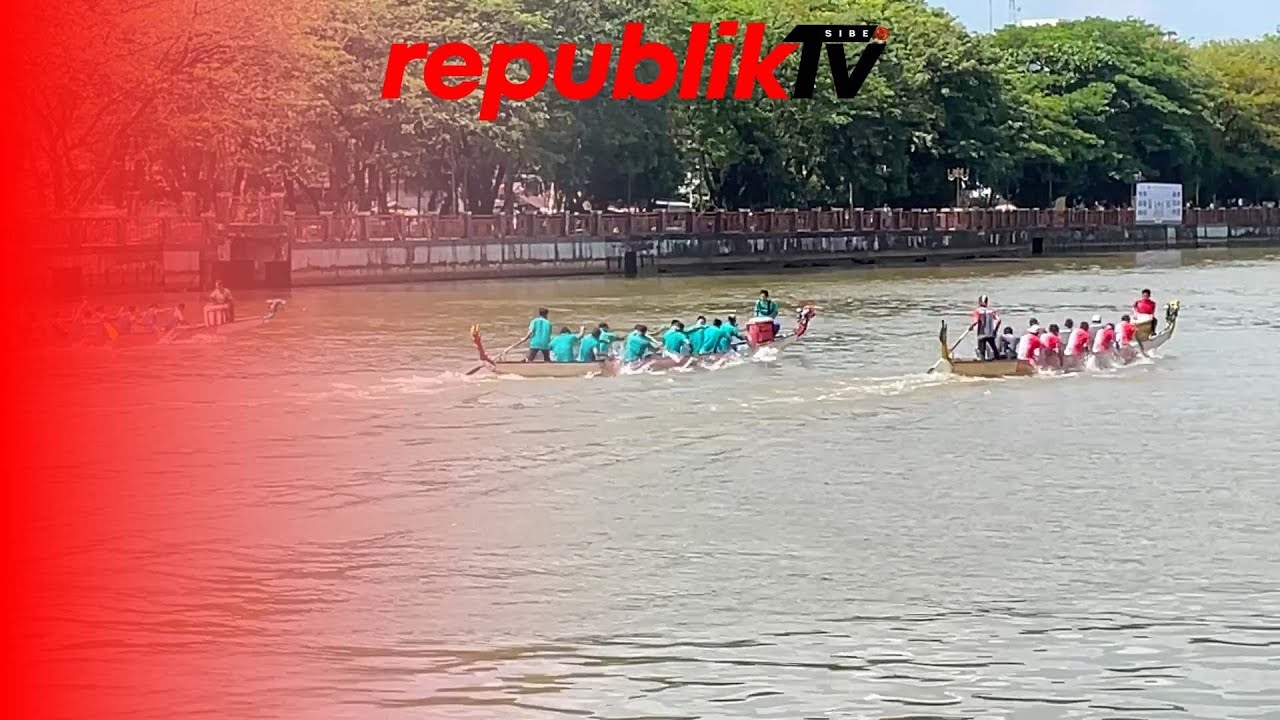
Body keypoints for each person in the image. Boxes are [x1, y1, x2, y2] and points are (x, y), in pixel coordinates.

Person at [969, 295, 1001, 361]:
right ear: (987, 302)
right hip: (990, 333)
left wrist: (971, 326)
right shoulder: (991, 311)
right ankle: (999, 360)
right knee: (994, 348)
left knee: (982, 351)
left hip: (981, 334)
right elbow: (999, 320)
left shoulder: (977, 311)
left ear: (979, 302)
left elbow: (976, 321)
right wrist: (995, 330)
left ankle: (982, 363)